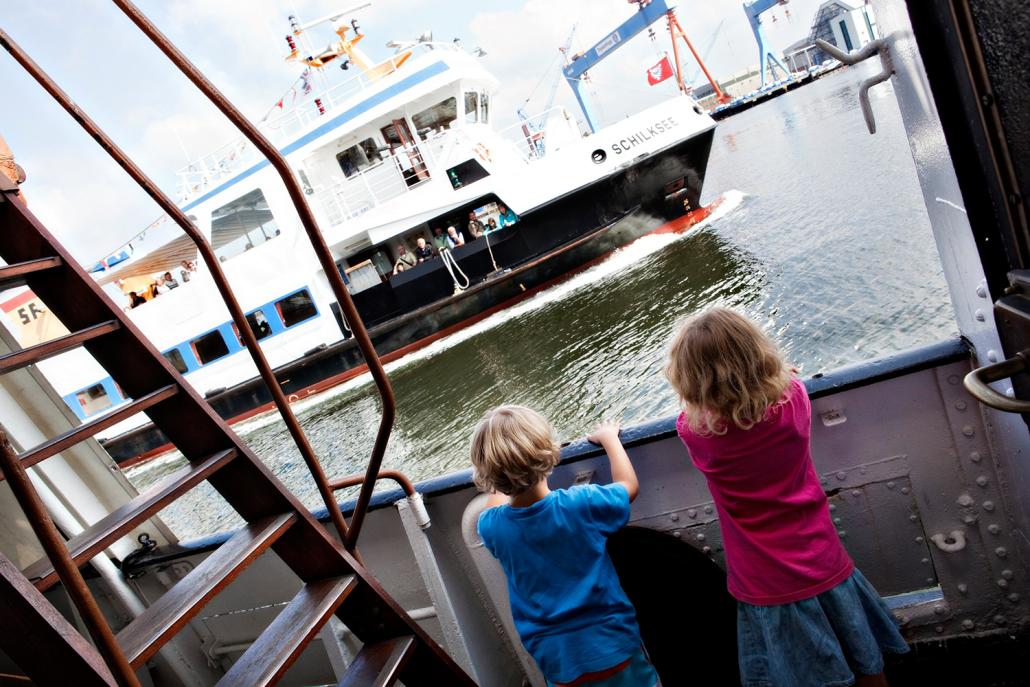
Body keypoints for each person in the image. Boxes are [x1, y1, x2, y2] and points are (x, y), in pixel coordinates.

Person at [665, 307, 909, 687]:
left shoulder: (696, 434)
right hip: (823, 558)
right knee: (863, 657)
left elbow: (694, 416)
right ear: (758, 353)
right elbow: (783, 387)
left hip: (765, 582)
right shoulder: (794, 397)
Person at [474, 406, 660, 687]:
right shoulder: (580, 504)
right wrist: (609, 438)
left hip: (557, 659)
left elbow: (496, 500)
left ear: (489, 474)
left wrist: (504, 472)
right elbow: (627, 486)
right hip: (612, 644)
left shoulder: (492, 527)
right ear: (549, 453)